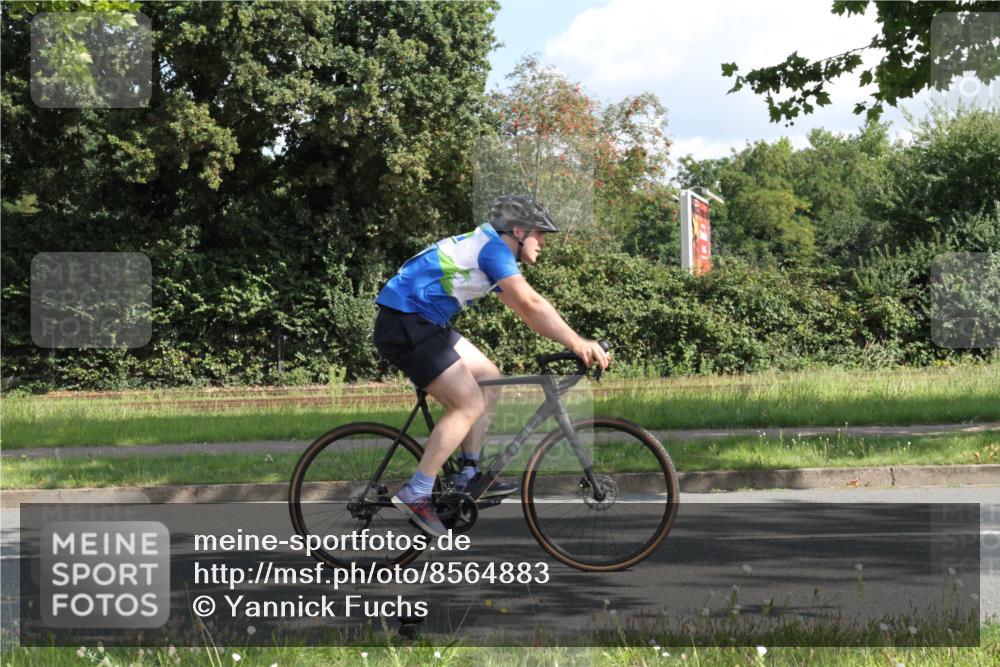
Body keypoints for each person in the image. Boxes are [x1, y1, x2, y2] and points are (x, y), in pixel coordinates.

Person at [373, 195, 611, 537]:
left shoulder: (489, 250)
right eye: (539, 233)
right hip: (406, 322)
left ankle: (468, 473)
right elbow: (530, 304)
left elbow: (527, 312)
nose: (543, 241)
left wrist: (572, 340)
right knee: (467, 403)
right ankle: (417, 492)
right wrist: (578, 342)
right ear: (517, 230)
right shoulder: (493, 250)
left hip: (422, 321)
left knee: (488, 375)